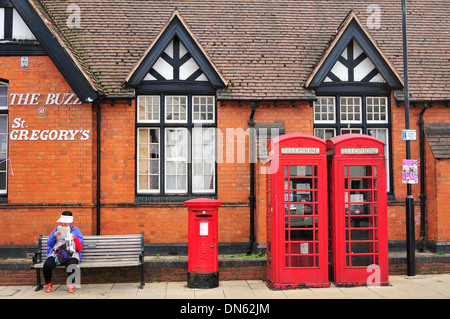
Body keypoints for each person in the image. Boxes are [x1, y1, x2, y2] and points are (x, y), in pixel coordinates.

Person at [43, 211, 83, 293]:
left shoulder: (75, 230)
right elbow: (49, 244)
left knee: (71, 265)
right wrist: (54, 236)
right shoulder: (56, 230)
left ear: (70, 221)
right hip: (57, 253)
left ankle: (71, 284)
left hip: (71, 253)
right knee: (47, 265)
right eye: (63, 221)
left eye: (67, 221)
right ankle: (48, 283)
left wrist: (74, 238)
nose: (65, 223)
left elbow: (81, 243)